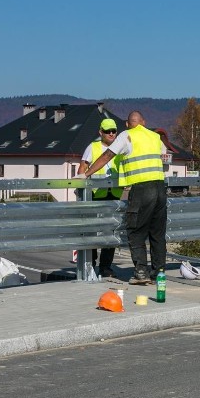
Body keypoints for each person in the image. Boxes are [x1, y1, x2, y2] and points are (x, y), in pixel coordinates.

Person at [80, 111, 167, 285]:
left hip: (141, 189)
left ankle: (141, 272)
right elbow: (164, 154)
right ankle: (158, 273)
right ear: (143, 122)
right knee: (157, 233)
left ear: (127, 124)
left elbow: (107, 156)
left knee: (135, 230)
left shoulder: (126, 136)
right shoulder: (154, 136)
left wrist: (87, 174)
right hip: (160, 187)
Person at [77, 118, 123, 278]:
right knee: (92, 230)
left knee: (110, 231)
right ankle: (91, 264)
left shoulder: (120, 149)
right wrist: (80, 186)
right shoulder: (93, 147)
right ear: (100, 132)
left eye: (113, 131)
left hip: (113, 194)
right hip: (95, 195)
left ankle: (105, 267)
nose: (111, 134)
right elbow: (83, 166)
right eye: (107, 131)